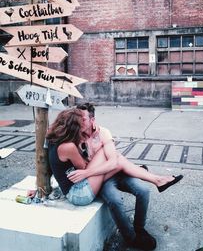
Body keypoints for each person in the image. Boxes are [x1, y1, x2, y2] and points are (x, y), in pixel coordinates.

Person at [46, 105, 183, 250]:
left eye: (84, 119)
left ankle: (140, 224)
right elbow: (82, 167)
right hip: (81, 189)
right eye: (80, 122)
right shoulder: (70, 144)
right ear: (73, 126)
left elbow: (87, 167)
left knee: (132, 177)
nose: (83, 124)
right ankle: (149, 178)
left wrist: (89, 162)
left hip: (89, 177)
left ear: (92, 120)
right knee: (116, 170)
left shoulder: (99, 133)